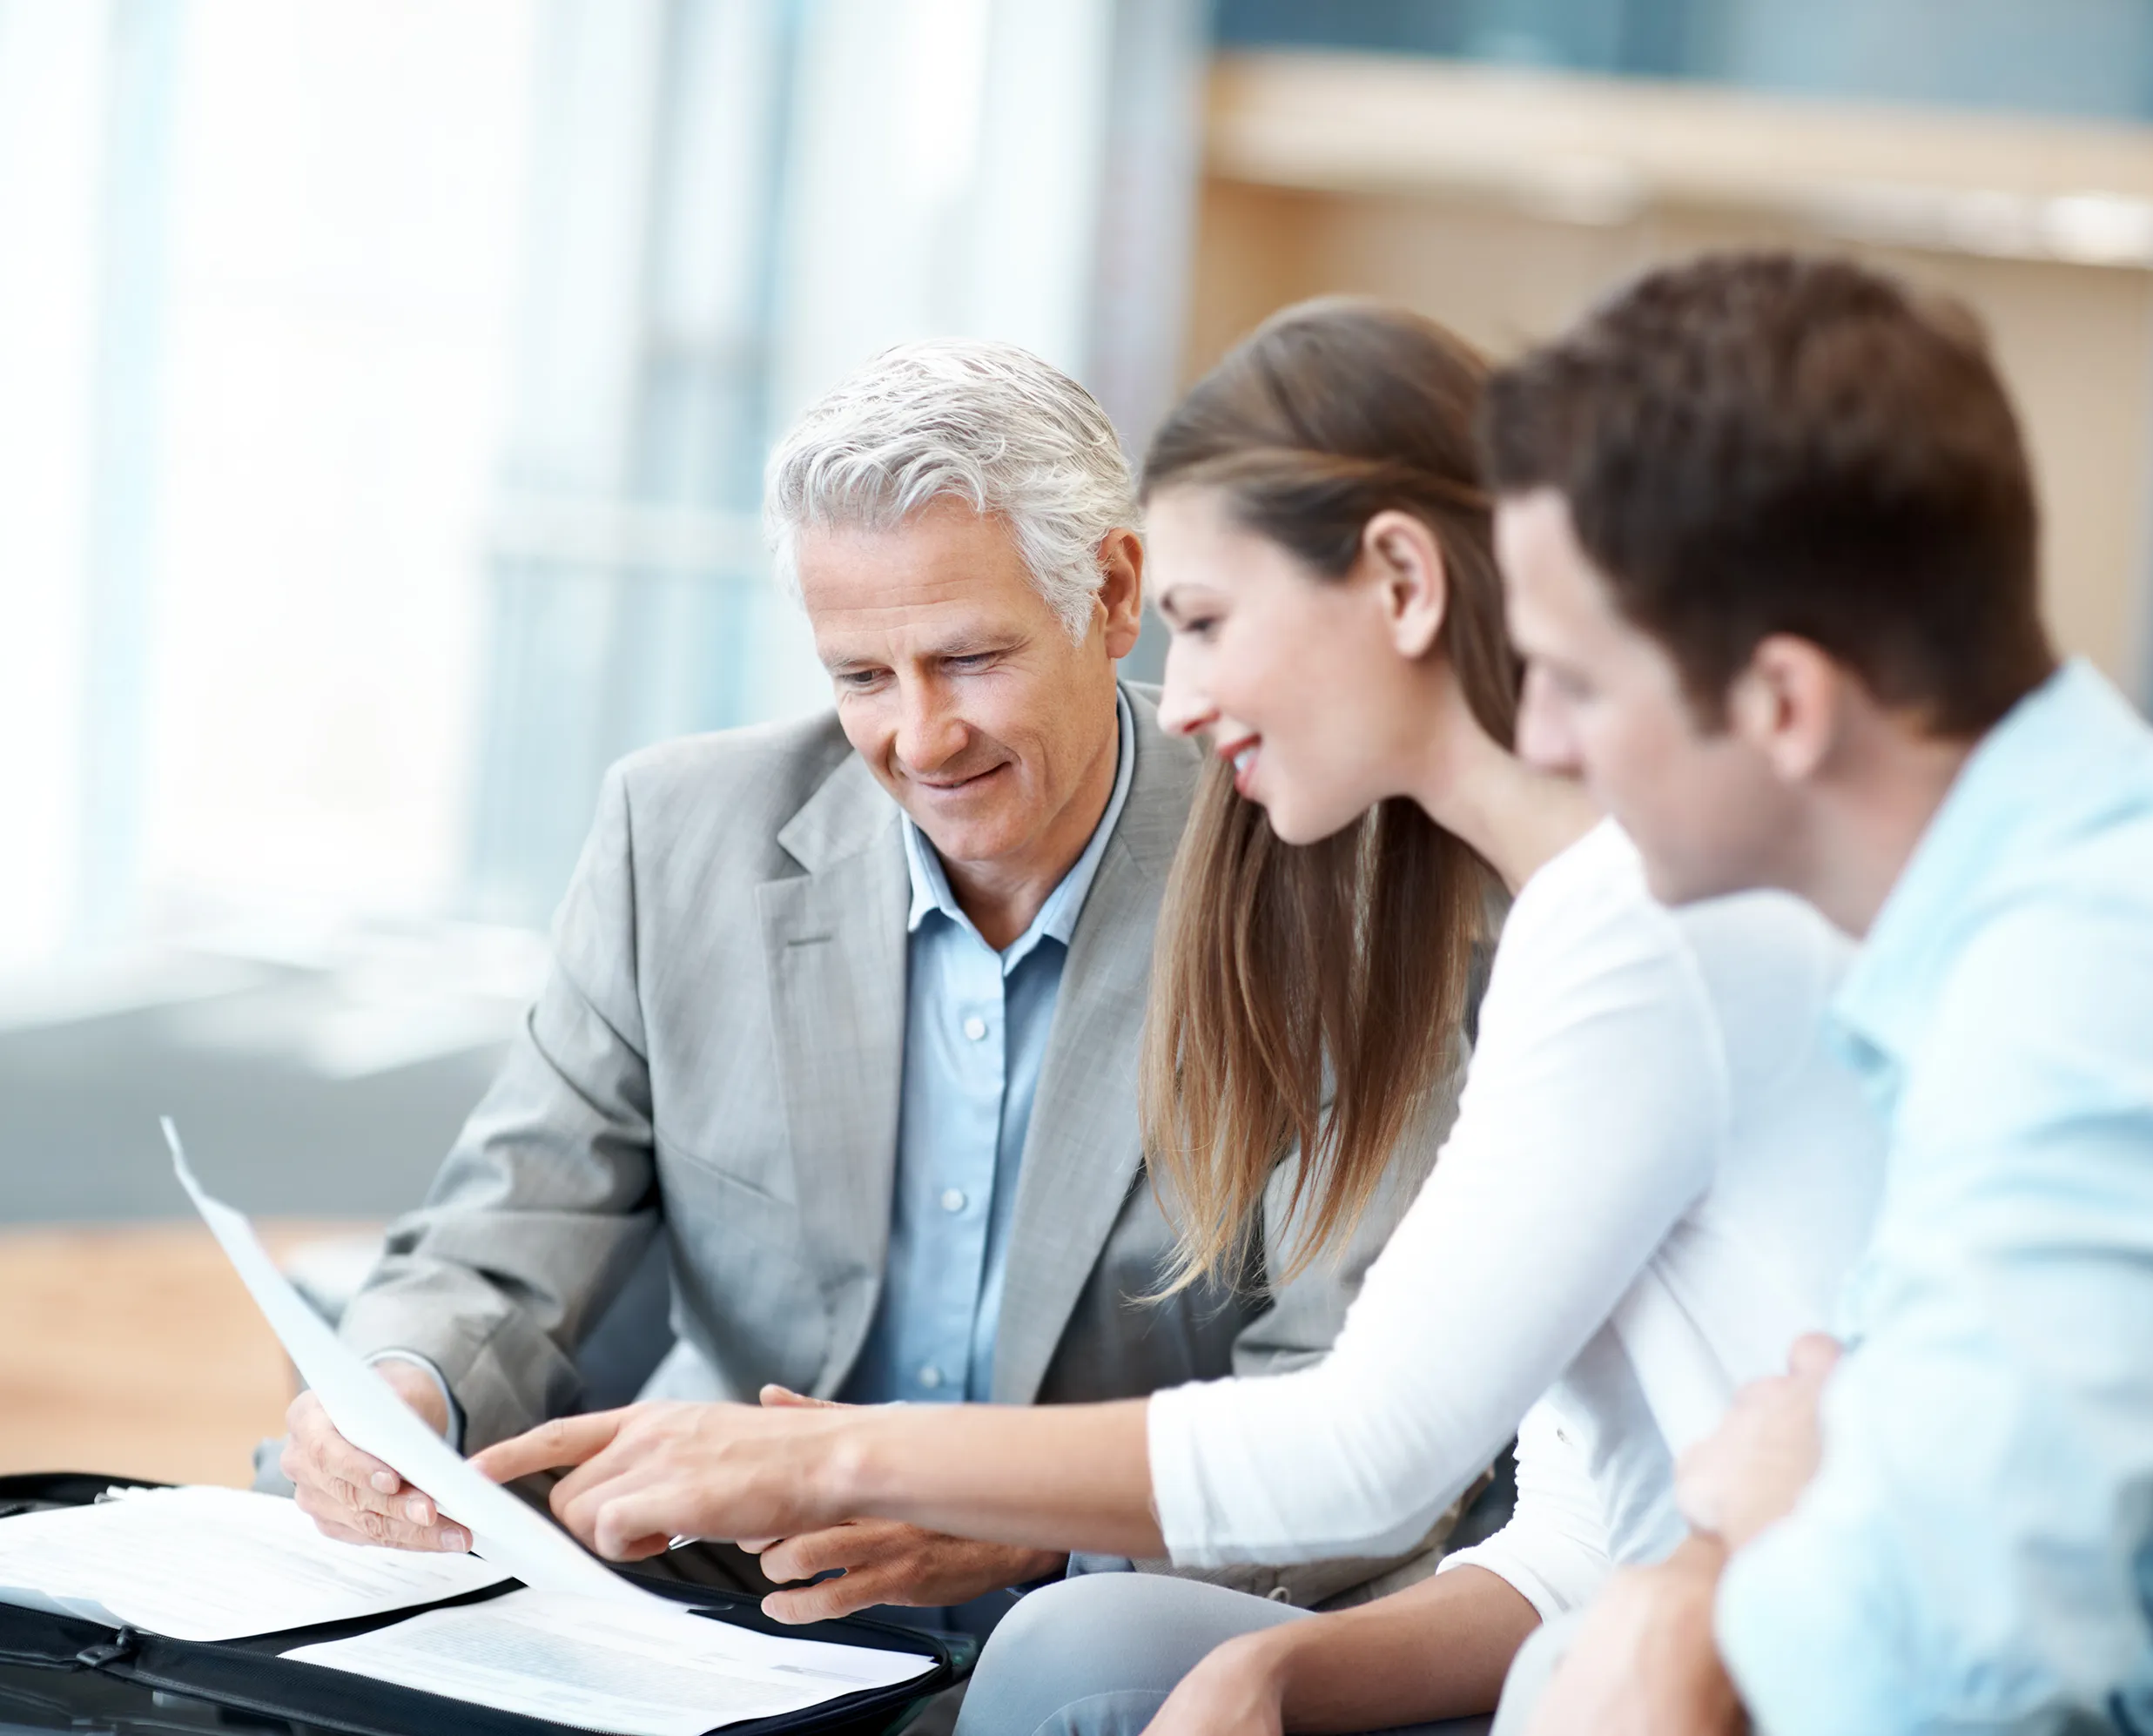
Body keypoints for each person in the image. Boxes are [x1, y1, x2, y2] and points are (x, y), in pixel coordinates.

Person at [474, 299, 1887, 1734]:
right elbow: (1585, 1519)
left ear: (1401, 583)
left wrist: (852, 1463)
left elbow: (1372, 1448)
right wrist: (1270, 1663)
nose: (1186, 698)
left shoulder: (1638, 926)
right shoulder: (1571, 922)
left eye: (1205, 625)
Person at [280, 339, 1460, 1640]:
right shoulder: (675, 836)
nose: (920, 735)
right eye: (860, 676)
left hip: (1106, 1613)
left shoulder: (1325, 896)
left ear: (1116, 596)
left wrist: (1041, 1529)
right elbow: (505, 1228)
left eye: (969, 659)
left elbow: (1345, 1401)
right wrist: (398, 1389)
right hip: (711, 1580)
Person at [1480, 251, 2153, 1735]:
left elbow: (1952, 1690)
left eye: (1578, 681)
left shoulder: (2074, 997)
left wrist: (1756, 1531)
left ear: (1782, 704)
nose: (1540, 738)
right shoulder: (2051, 920)